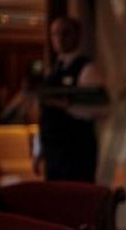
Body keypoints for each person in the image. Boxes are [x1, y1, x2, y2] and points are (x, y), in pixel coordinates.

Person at [37, 16, 106, 182]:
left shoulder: (87, 69)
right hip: (53, 152)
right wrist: (39, 150)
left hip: (77, 152)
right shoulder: (53, 70)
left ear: (77, 35)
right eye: (54, 34)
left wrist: (65, 104)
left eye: (65, 33)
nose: (59, 38)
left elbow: (99, 107)